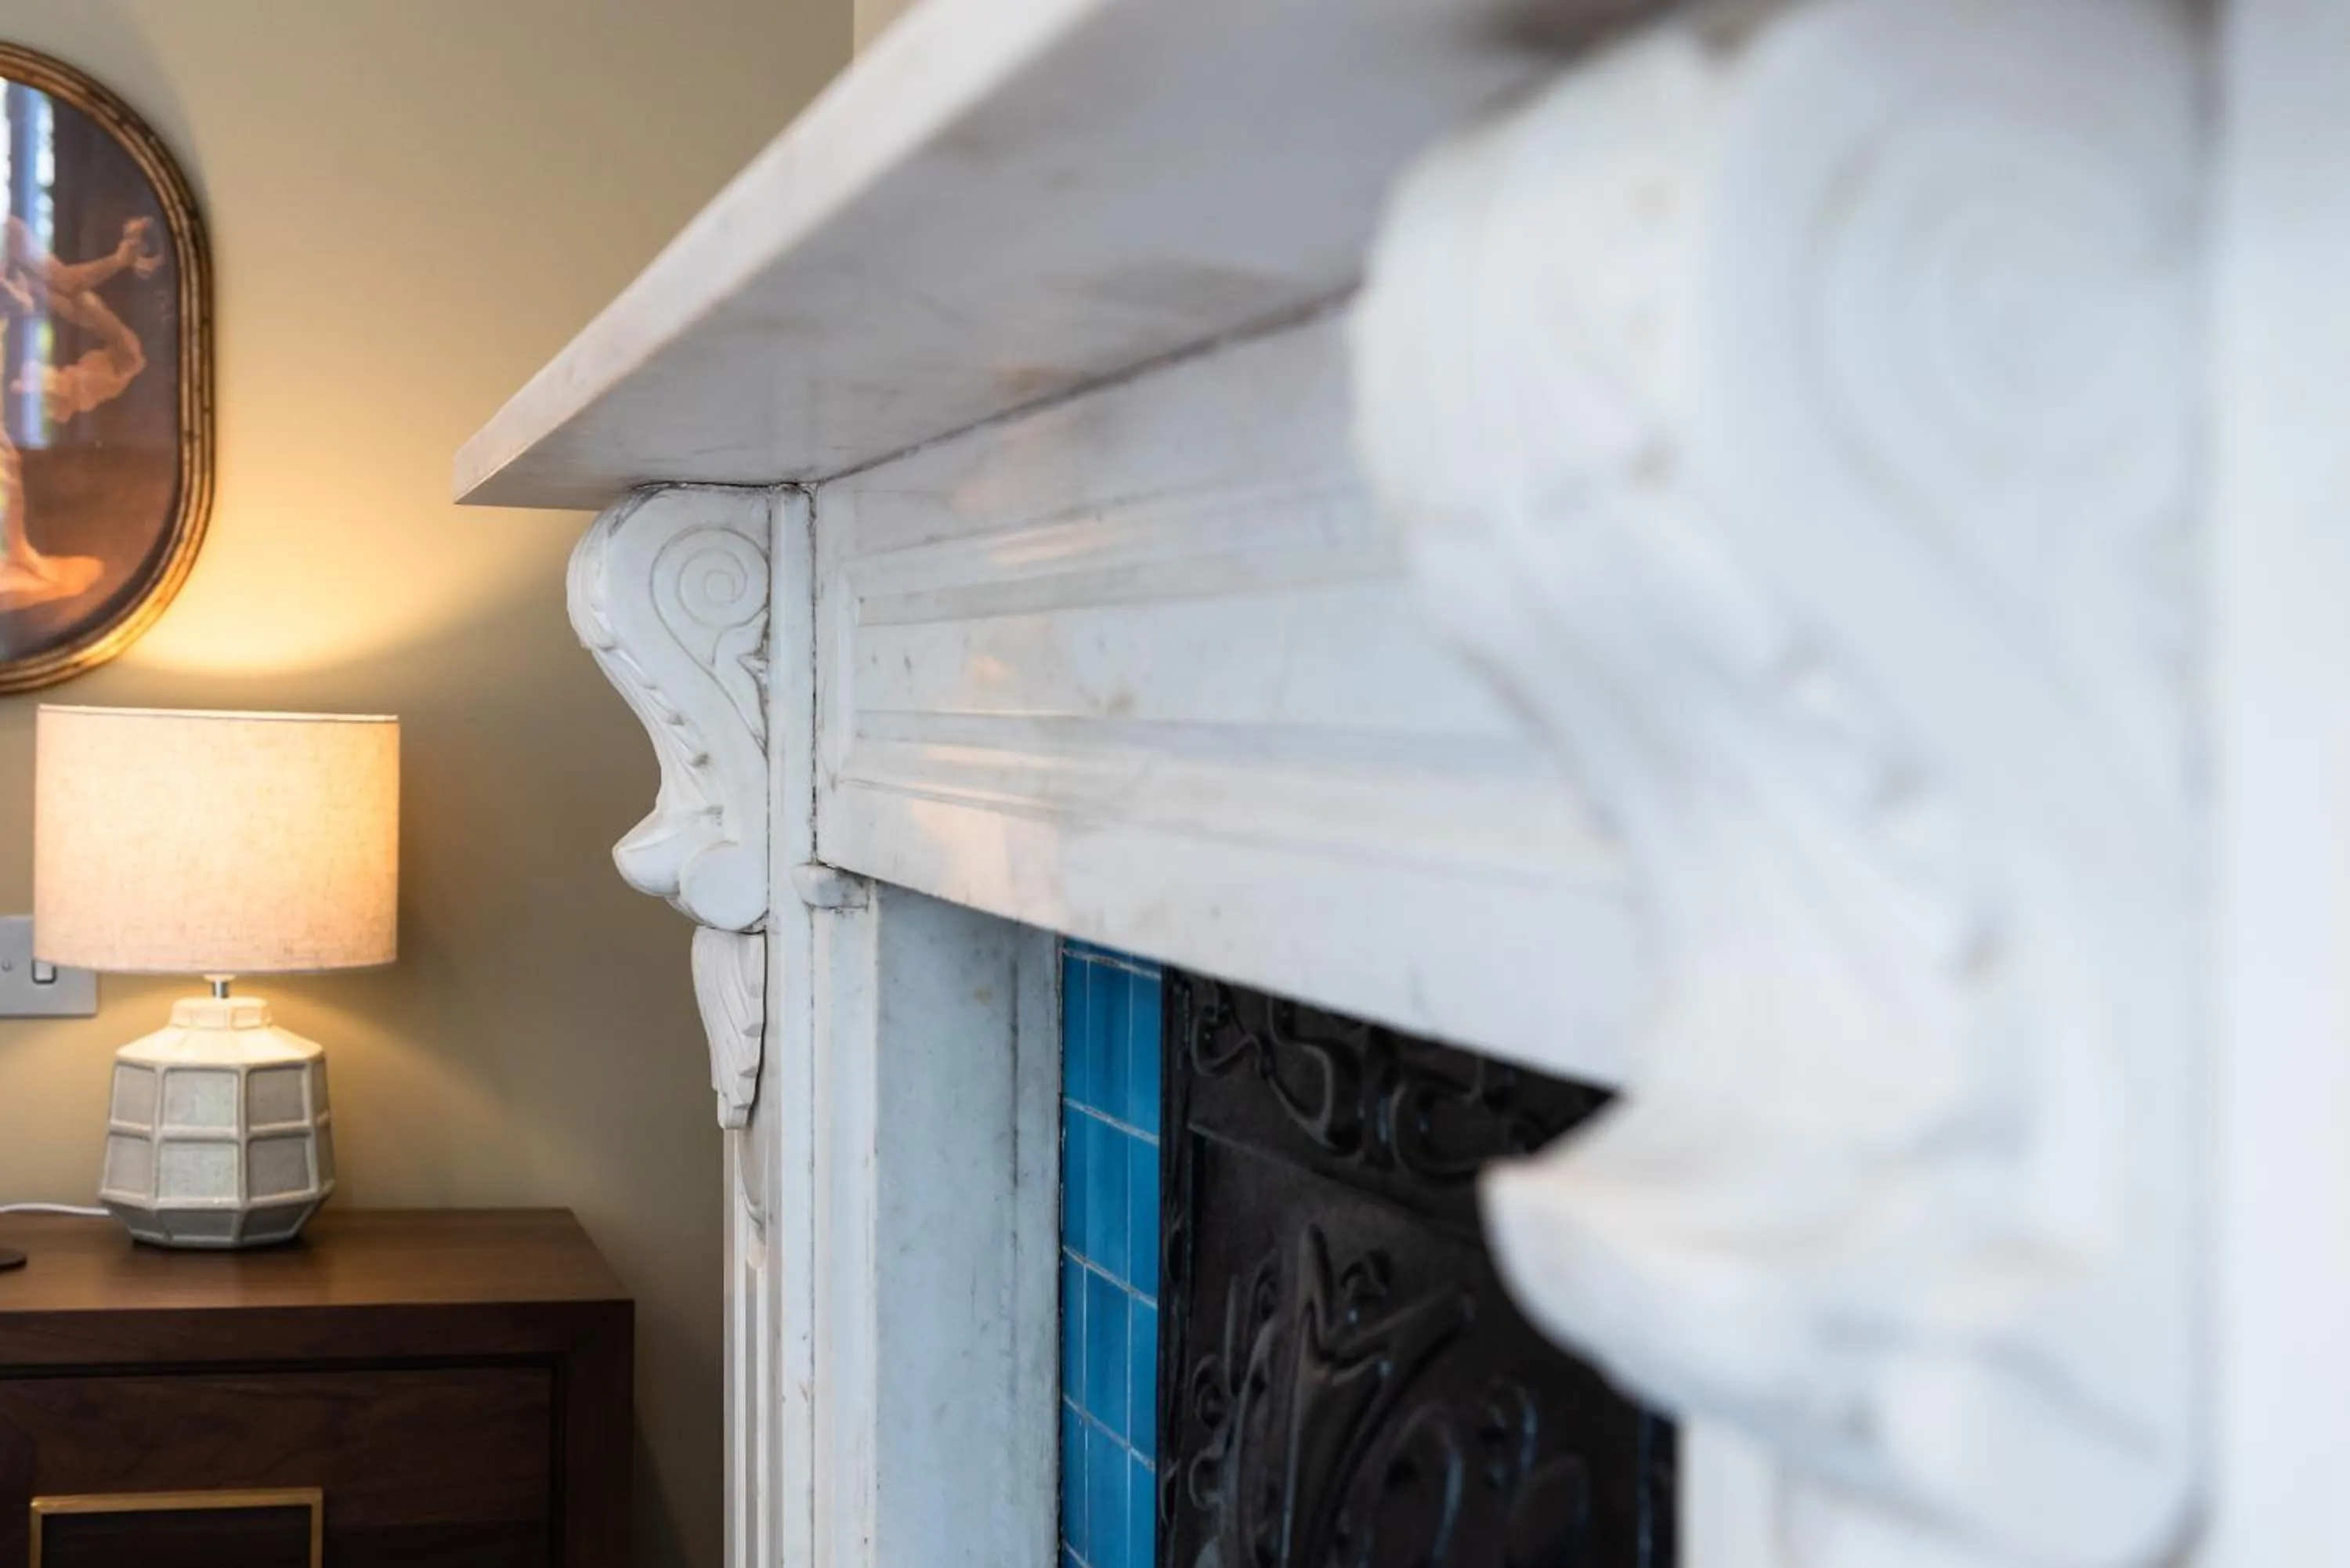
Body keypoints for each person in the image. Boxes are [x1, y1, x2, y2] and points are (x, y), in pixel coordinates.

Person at [0, 213, 162, 609]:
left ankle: (19, 556)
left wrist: (119, 261)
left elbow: (67, 284)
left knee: (6, 465)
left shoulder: (10, 233)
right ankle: (19, 556)